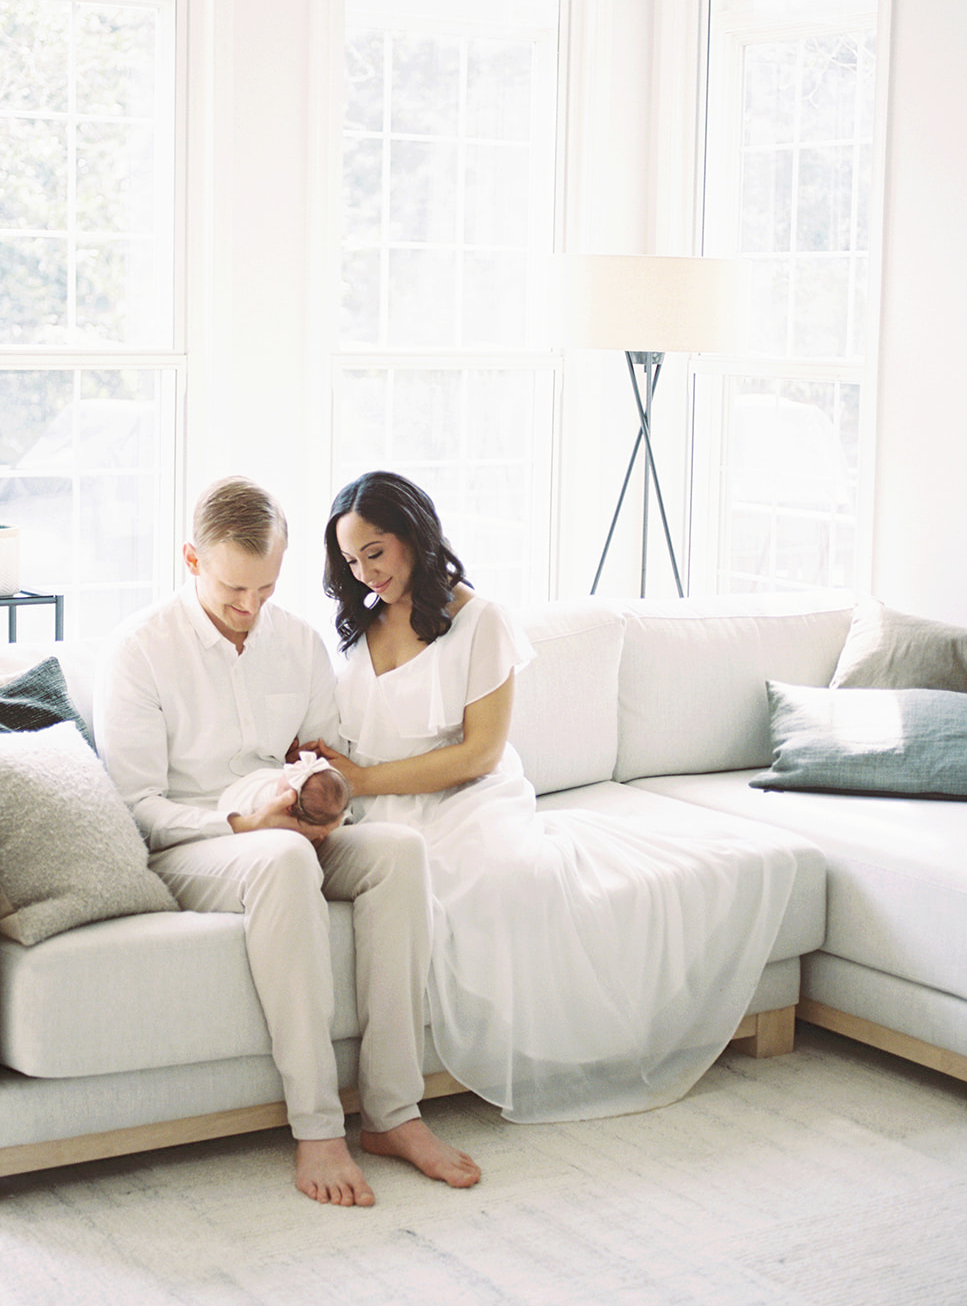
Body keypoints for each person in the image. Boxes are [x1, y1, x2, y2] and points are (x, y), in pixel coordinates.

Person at [315, 469, 798, 1124]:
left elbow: (478, 752)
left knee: (495, 882)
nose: (366, 572)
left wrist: (363, 779)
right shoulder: (361, 622)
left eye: (375, 552)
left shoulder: (479, 620)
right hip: (381, 806)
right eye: (350, 560)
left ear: (412, 535)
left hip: (467, 797)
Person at [94, 475, 480, 1204]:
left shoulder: (296, 642)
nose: (249, 609)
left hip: (286, 827)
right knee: (275, 859)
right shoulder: (140, 650)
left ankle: (395, 1113)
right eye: (233, 590)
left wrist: (317, 804)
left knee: (397, 852)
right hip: (194, 842)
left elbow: (323, 751)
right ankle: (318, 1129)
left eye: (266, 589)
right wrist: (240, 824)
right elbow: (135, 805)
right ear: (191, 560)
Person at [219, 751, 352, 830]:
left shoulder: (264, 805)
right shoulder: (281, 785)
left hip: (231, 811)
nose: (297, 765)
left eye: (294, 773)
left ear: (289, 804)